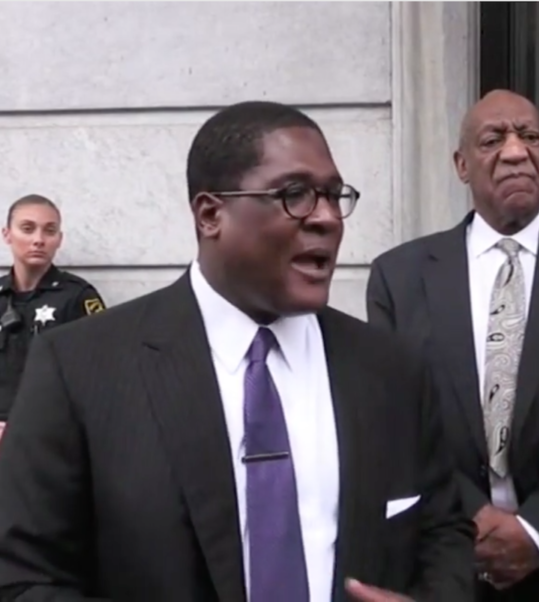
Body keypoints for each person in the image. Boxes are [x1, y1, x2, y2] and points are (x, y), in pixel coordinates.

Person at [0, 101, 474, 602]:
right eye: (296, 194)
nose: (329, 219)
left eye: (335, 196)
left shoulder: (392, 371)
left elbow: (445, 533)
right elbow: (23, 579)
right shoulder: (79, 368)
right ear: (210, 215)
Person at [366, 89, 539, 601]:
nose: (516, 152)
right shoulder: (399, 277)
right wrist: (477, 523)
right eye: (493, 139)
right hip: (452, 567)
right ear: (461, 165)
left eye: (530, 137)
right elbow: (395, 417)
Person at [0, 194, 105, 427]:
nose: (38, 239)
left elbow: (100, 373)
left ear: (59, 239)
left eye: (49, 230)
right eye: (27, 229)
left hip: (50, 433)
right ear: (6, 234)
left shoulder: (78, 297)